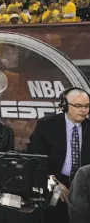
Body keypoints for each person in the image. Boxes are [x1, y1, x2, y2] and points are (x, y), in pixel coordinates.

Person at [28, 87, 90, 223]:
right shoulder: (47, 125)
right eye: (79, 106)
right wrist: (52, 181)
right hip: (56, 180)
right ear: (65, 105)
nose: (84, 110)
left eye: (87, 106)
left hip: (85, 184)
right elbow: (34, 158)